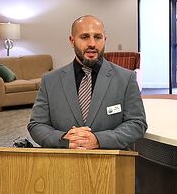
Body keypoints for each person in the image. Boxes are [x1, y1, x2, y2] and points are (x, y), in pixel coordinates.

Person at [28, 15, 147, 149]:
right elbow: (37, 124)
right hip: (62, 164)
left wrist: (98, 140)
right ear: (72, 41)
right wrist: (63, 139)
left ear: (105, 39)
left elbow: (137, 123)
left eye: (97, 37)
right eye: (84, 37)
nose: (92, 43)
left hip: (110, 164)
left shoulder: (126, 78)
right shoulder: (50, 81)